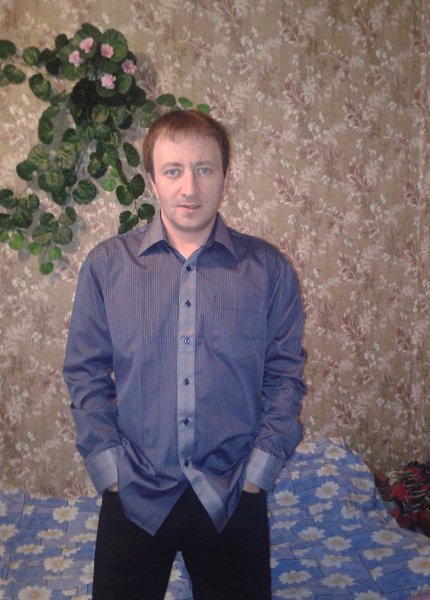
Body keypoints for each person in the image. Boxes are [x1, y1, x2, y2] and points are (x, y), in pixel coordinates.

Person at [63, 109, 307, 600]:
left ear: (225, 177)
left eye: (204, 169)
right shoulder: (106, 267)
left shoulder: (268, 270)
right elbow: (85, 373)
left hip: (232, 492)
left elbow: (285, 376)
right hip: (134, 492)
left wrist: (259, 474)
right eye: (173, 170)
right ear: (152, 180)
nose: (189, 187)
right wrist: (109, 470)